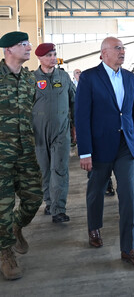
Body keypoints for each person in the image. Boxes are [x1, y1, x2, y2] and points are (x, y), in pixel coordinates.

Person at [75, 36, 134, 269]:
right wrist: (85, 151)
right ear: (104, 52)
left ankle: (128, 248)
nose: (122, 52)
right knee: (96, 191)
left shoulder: (129, 78)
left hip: (125, 146)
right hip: (99, 146)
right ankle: (94, 227)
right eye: (117, 48)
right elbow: (82, 117)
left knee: (128, 194)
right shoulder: (89, 77)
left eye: (123, 48)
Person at [0, 31, 43, 280]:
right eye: (23, 44)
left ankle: (17, 226)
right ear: (8, 50)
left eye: (28, 43)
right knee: (2, 206)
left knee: (34, 198)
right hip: (1, 156)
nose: (29, 47)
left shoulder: (29, 79)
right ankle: (5, 252)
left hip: (26, 150)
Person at [33, 43, 76, 223]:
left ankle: (59, 209)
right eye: (49, 55)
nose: (53, 58)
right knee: (44, 170)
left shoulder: (64, 77)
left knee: (59, 169)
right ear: (40, 58)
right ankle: (49, 203)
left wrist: (76, 127)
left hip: (61, 131)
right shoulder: (32, 79)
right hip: (38, 133)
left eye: (54, 54)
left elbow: (75, 102)